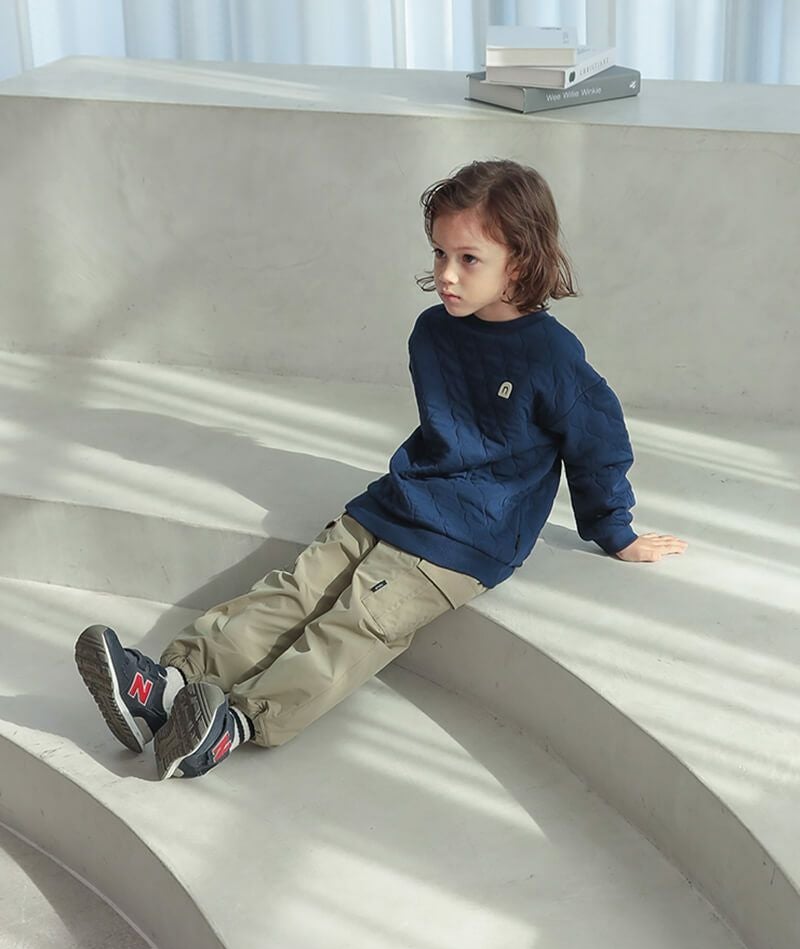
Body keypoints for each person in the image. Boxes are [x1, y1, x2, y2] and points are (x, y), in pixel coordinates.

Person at [75, 158, 687, 781]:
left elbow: (598, 440)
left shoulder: (552, 357)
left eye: (468, 259)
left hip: (469, 538)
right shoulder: (433, 332)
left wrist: (614, 530)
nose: (446, 275)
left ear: (521, 262)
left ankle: (233, 724)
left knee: (359, 621)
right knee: (295, 589)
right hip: (396, 501)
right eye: (440, 253)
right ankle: (168, 686)